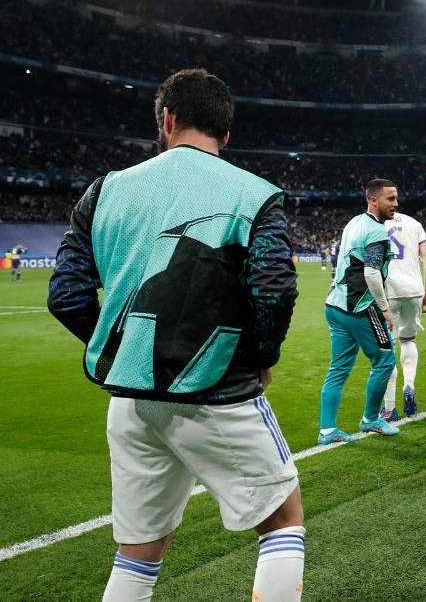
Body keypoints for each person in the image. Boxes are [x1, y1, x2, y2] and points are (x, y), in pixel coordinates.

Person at [46, 68, 304, 601]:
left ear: (166, 119)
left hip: (129, 402)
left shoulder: (104, 191)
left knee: (137, 553)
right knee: (282, 523)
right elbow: (274, 289)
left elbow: (66, 295)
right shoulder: (255, 194)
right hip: (218, 394)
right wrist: (261, 354)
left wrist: (125, 352)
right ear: (226, 135)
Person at [318, 179, 401, 445]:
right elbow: (372, 272)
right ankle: (370, 419)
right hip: (358, 308)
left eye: (396, 198)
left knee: (338, 369)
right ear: (373, 200)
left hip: (334, 305)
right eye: (390, 199)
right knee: (385, 359)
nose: (395, 204)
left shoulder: (354, 222)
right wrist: (385, 309)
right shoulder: (376, 232)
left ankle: (327, 430)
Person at [380, 210, 426, 420]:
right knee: (408, 340)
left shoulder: (377, 224)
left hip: (388, 292)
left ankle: (389, 408)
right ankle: (409, 385)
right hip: (414, 290)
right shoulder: (414, 222)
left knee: (387, 348)